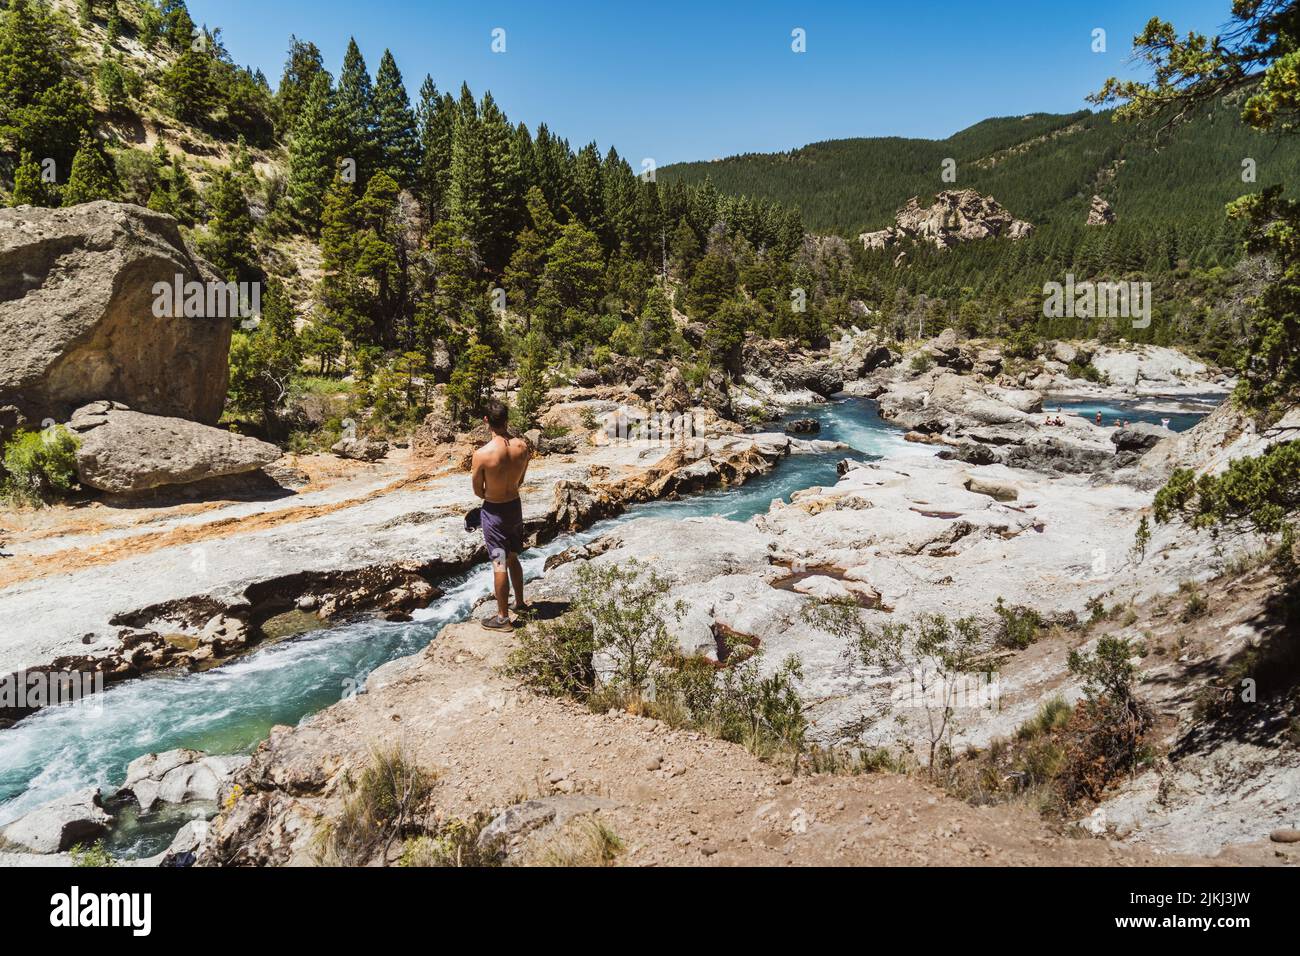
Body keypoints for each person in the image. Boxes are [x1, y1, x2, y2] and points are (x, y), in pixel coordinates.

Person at [470, 398, 532, 630]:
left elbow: (478, 491)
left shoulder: (482, 454)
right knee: (513, 556)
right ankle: (521, 603)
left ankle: (503, 618)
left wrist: (492, 493)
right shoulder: (523, 447)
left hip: (494, 511)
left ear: (486, 421)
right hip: (514, 507)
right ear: (507, 419)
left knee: (499, 562)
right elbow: (521, 479)